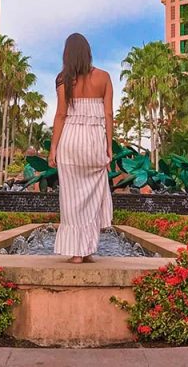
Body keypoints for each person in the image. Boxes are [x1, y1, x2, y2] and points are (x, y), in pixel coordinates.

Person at [48, 33, 114, 263]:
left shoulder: (63, 79)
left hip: (70, 142)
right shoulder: (104, 77)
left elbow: (60, 115)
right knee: (93, 195)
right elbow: (108, 114)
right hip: (94, 141)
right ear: (88, 52)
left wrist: (53, 148)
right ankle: (86, 248)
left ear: (67, 54)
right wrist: (109, 146)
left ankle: (76, 251)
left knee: (71, 198)